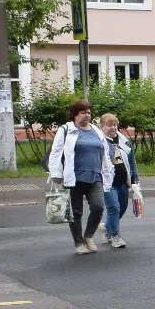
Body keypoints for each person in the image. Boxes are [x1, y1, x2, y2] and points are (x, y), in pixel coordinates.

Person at [46, 99, 114, 255]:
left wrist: (108, 171)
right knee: (76, 212)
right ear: (75, 115)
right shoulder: (66, 129)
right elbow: (56, 152)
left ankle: (88, 236)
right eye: (83, 113)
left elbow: (104, 152)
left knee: (98, 207)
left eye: (89, 112)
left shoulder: (96, 131)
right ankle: (79, 243)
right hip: (74, 178)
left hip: (95, 176)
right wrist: (56, 173)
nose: (87, 115)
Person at [98, 113, 141, 249]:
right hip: (107, 182)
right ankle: (116, 236)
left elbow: (131, 160)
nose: (113, 128)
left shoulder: (123, 140)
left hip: (123, 181)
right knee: (114, 208)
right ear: (101, 126)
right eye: (109, 125)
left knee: (121, 208)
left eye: (115, 125)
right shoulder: (99, 141)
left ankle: (106, 227)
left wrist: (135, 177)